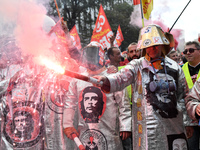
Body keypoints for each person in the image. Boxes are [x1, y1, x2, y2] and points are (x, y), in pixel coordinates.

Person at [94, 24, 189, 150]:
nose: (153, 49)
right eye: (148, 46)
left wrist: (188, 122)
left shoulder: (175, 67)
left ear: (162, 44)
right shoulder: (137, 65)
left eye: (156, 45)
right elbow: (120, 78)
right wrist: (106, 80)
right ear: (143, 47)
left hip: (174, 126)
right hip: (147, 130)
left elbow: (184, 96)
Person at [63, 41, 132, 150]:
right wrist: (68, 124)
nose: (90, 64)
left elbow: (123, 102)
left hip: (109, 130)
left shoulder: (112, 77)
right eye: (88, 60)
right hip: (85, 131)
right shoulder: (77, 79)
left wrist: (125, 126)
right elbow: (69, 103)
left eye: (92, 59)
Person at [182, 41, 200, 150]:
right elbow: (180, 99)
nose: (188, 53)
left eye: (191, 50)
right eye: (185, 51)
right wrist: (186, 122)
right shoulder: (179, 70)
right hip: (189, 119)